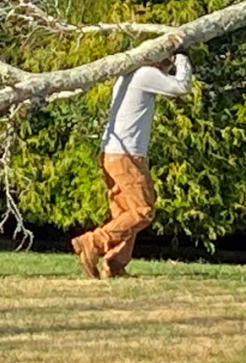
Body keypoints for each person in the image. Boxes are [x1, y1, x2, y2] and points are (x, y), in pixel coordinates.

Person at [71, 52, 193, 279]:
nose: (167, 67)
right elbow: (181, 87)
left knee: (124, 213)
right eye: (167, 61)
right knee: (142, 210)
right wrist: (182, 59)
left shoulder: (127, 75)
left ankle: (114, 264)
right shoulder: (145, 74)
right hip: (128, 155)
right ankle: (93, 242)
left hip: (112, 153)